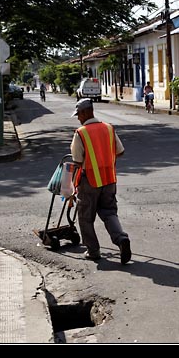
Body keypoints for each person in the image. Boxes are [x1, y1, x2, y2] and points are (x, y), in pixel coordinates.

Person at [70, 98, 131, 264]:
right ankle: (121, 239)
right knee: (109, 212)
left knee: (85, 217)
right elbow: (120, 151)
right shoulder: (109, 128)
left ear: (85, 112)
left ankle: (93, 251)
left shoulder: (81, 132)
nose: (78, 118)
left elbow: (77, 160)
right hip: (109, 179)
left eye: (78, 115)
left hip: (89, 180)